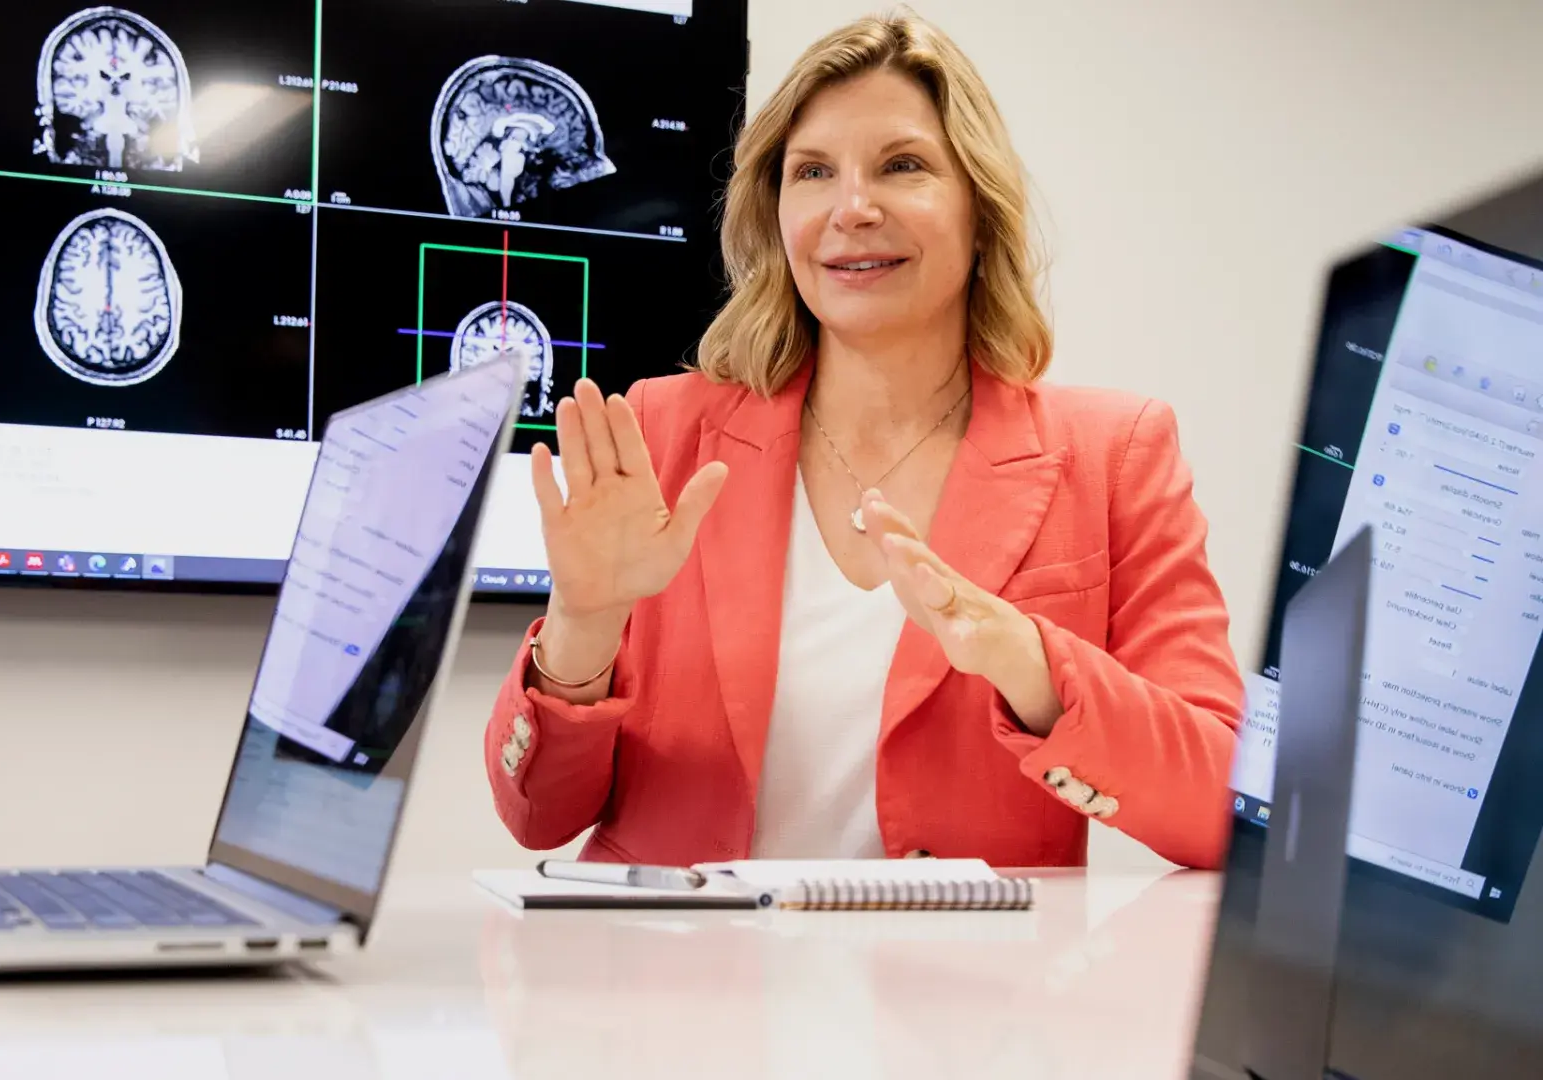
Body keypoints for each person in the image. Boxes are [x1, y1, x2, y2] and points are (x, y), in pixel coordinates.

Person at [484, 12, 1244, 869]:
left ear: (981, 210)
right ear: (777, 217)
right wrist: (583, 626)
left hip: (970, 994)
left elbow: (1225, 808)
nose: (852, 209)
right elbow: (538, 816)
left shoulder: (1115, 453)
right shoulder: (662, 433)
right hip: (677, 987)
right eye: (813, 172)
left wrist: (1027, 663)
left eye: (904, 166)